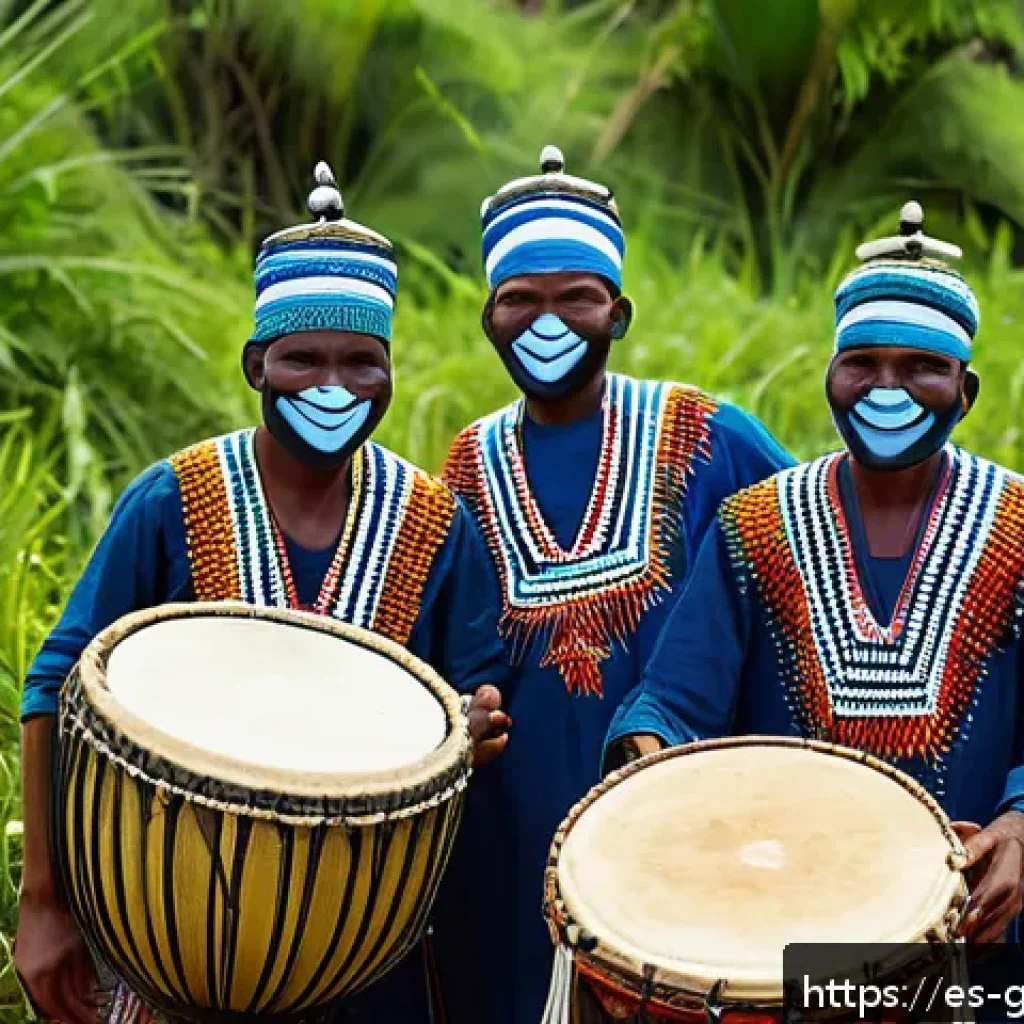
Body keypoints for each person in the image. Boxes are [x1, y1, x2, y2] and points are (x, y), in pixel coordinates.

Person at [13, 162, 510, 1024]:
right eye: (303, 359)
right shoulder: (174, 499)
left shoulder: (434, 523)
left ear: (389, 372)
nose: (333, 385)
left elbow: (472, 698)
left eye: (361, 361)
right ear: (256, 364)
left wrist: (477, 727)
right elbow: (53, 688)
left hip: (364, 953)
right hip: (170, 936)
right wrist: (44, 903)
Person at [431, 146, 794, 1024]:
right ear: (488, 317)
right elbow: (443, 651)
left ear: (617, 313)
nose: (545, 322)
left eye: (575, 299)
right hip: (514, 843)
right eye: (520, 300)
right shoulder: (465, 470)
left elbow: (812, 566)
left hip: (686, 832)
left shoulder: (709, 437)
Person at [605, 202, 1024, 952]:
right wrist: (649, 758)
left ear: (966, 393)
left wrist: (1020, 825)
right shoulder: (756, 526)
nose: (886, 388)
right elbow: (676, 697)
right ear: (830, 375)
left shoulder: (1017, 524)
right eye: (862, 363)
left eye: (923, 366)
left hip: (976, 926)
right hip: (787, 922)